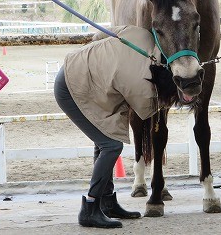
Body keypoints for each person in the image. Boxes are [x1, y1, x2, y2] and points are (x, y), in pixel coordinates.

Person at [54, 25, 175, 228]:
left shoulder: (142, 37)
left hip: (79, 74)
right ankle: (90, 208)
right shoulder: (139, 81)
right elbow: (146, 109)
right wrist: (169, 99)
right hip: (71, 87)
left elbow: (101, 35)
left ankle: (107, 202)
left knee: (104, 141)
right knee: (112, 145)